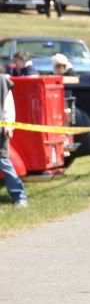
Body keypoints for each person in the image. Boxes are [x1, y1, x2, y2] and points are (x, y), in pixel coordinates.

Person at [1, 74, 28, 208]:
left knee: (3, 163)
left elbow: (8, 106)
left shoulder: (2, 82)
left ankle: (19, 197)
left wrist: (8, 125)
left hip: (1, 131)